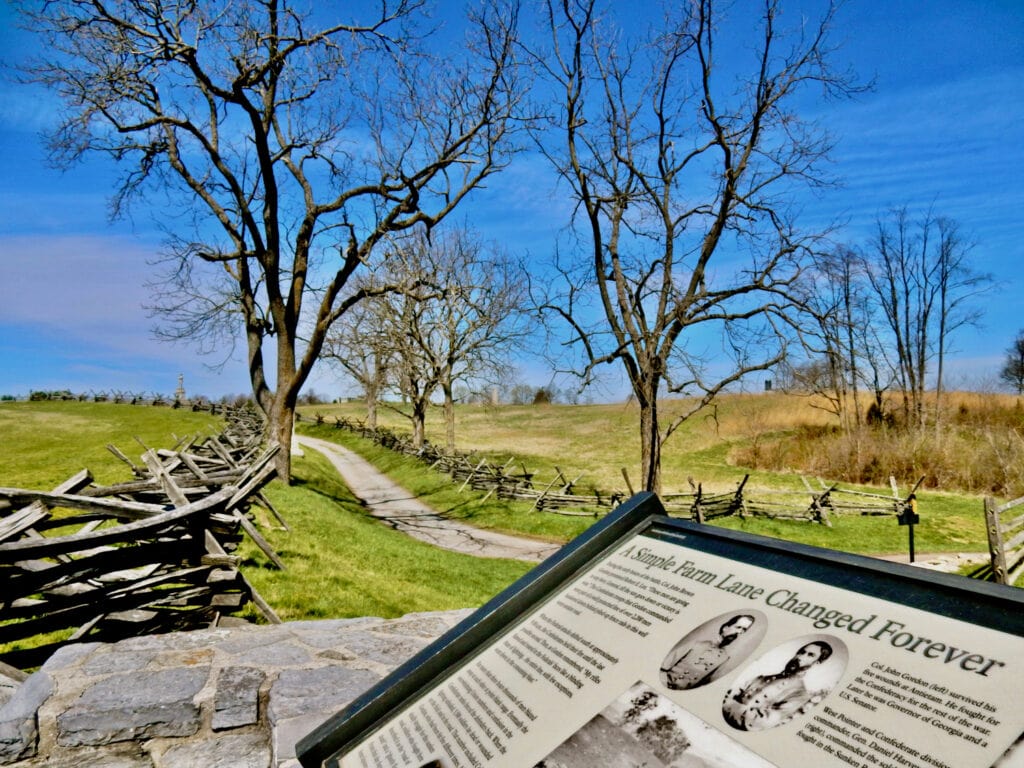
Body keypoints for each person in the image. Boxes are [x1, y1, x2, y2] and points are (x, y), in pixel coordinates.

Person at [722, 640, 834, 731]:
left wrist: (729, 705)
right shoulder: (762, 678)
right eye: (801, 652)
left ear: (817, 662)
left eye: (810, 655)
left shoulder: (799, 693)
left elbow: (758, 722)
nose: (800, 657)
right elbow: (730, 693)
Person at [660, 614, 756, 690]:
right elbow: (664, 666)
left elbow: (706, 683)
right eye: (738, 627)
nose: (739, 632)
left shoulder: (724, 657)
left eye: (744, 630)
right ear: (725, 628)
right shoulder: (698, 641)